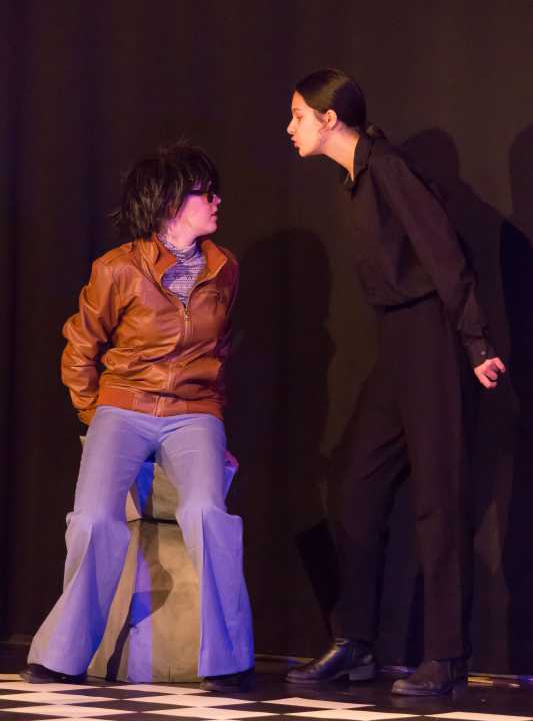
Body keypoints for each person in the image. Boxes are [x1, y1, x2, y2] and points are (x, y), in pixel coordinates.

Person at [285, 69, 505, 696]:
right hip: (398, 343)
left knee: (439, 497)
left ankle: (447, 658)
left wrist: (475, 341)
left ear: (330, 119)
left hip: (433, 336)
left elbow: (444, 254)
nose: (290, 128)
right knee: (356, 482)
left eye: (298, 115)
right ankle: (355, 641)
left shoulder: (387, 168)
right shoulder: (353, 180)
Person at [21, 142, 254, 692]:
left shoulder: (225, 269)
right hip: (123, 405)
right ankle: (62, 654)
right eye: (205, 193)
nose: (217, 201)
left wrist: (214, 424)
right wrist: (94, 415)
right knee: (93, 519)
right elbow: (80, 347)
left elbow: (219, 354)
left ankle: (228, 660)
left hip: (193, 411)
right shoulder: (118, 268)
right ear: (172, 203)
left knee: (206, 514)